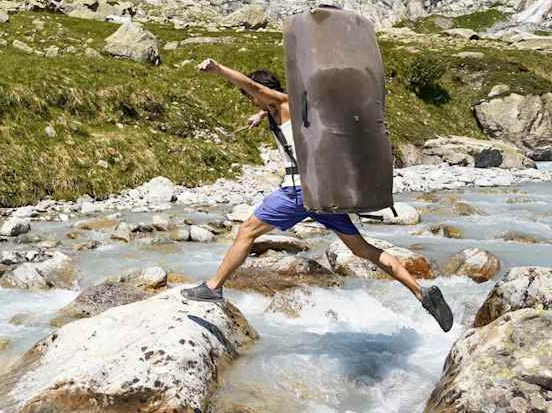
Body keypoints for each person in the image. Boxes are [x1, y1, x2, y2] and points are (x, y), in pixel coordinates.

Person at [181, 58, 454, 332]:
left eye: (254, 99)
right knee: (361, 249)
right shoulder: (298, 107)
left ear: (262, 94)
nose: (252, 102)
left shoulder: (278, 104)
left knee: (247, 232)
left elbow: (252, 86)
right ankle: (421, 293)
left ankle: (214, 287)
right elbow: (272, 103)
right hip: (323, 190)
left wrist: (219, 69)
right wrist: (261, 116)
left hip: (298, 191)